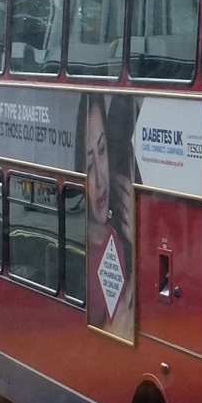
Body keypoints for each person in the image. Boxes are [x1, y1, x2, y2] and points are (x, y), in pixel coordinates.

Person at [79, 92, 137, 342]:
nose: (101, 180)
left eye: (102, 150)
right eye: (89, 166)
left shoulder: (118, 240)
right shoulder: (78, 255)